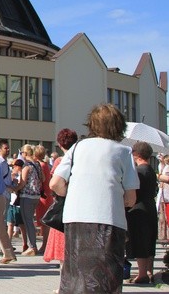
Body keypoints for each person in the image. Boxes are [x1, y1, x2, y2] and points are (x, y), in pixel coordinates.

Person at [49, 103, 139, 294]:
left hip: (76, 218)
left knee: (75, 274)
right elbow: (131, 197)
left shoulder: (77, 147)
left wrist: (75, 194)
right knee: (106, 276)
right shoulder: (123, 151)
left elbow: (55, 183)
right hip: (108, 218)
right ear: (118, 125)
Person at [43, 128, 78, 272]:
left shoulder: (60, 161)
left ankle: (64, 284)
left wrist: (63, 194)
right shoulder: (81, 159)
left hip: (64, 204)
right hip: (79, 203)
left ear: (60, 143)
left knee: (62, 247)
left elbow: (54, 184)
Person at [126, 140, 158, 284]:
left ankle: (142, 274)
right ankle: (149, 271)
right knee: (149, 240)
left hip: (139, 209)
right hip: (150, 206)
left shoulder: (138, 171)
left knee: (140, 241)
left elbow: (133, 191)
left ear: (136, 155)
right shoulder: (150, 169)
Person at [14, 144, 42, 255]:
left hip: (27, 195)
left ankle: (32, 246)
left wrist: (13, 188)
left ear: (25, 154)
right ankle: (32, 245)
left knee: (28, 221)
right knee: (29, 220)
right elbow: (43, 178)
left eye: (21, 153)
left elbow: (22, 182)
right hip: (36, 195)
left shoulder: (26, 166)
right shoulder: (37, 164)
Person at [33, 144, 52, 254]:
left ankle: (45, 245)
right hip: (46, 194)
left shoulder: (40, 165)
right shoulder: (45, 164)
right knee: (43, 222)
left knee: (44, 223)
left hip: (43, 195)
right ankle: (45, 245)